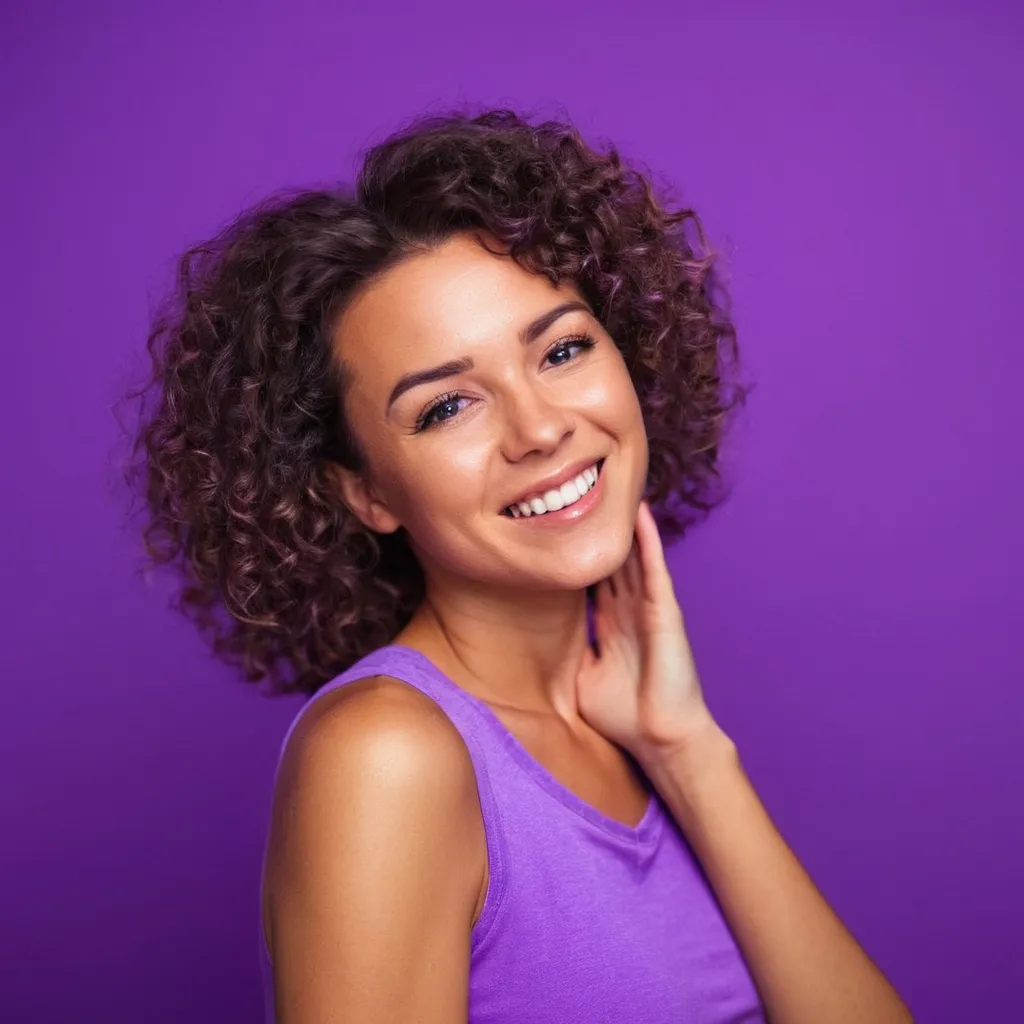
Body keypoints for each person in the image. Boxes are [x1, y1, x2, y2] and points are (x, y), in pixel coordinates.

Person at [129, 108, 913, 1023]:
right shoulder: (384, 757)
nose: (540, 428)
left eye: (563, 349)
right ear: (364, 494)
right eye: (447, 407)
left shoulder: (634, 730)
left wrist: (690, 753)